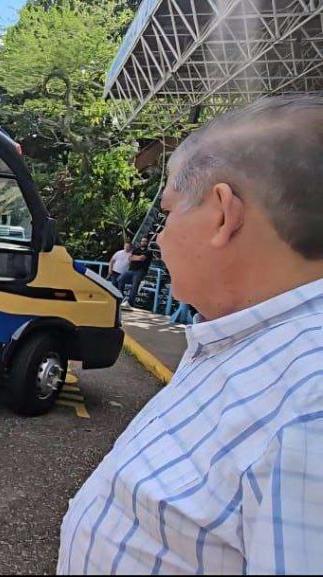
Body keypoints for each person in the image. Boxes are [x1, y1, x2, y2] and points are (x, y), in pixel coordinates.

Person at [58, 95, 323, 574]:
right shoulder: (250, 345)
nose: (158, 237)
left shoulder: (310, 407)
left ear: (222, 214)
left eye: (168, 213)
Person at [114, 236, 152, 308]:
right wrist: (136, 258)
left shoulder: (148, 251)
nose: (143, 242)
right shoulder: (136, 250)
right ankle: (122, 298)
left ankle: (130, 303)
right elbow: (130, 258)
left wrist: (135, 257)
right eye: (142, 241)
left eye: (145, 241)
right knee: (120, 279)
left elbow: (141, 258)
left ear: (147, 243)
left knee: (134, 285)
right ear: (140, 242)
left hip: (140, 271)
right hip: (131, 270)